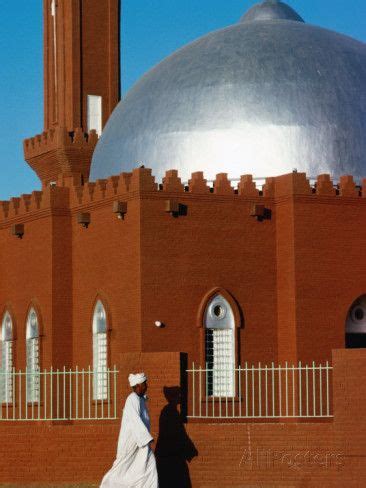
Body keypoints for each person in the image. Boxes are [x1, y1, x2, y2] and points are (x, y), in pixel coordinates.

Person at [100, 372, 158, 488]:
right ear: (137, 386)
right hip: (132, 443)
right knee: (122, 469)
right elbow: (135, 421)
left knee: (149, 466)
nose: (146, 386)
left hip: (140, 443)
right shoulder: (132, 400)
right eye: (144, 383)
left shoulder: (140, 400)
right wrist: (146, 438)